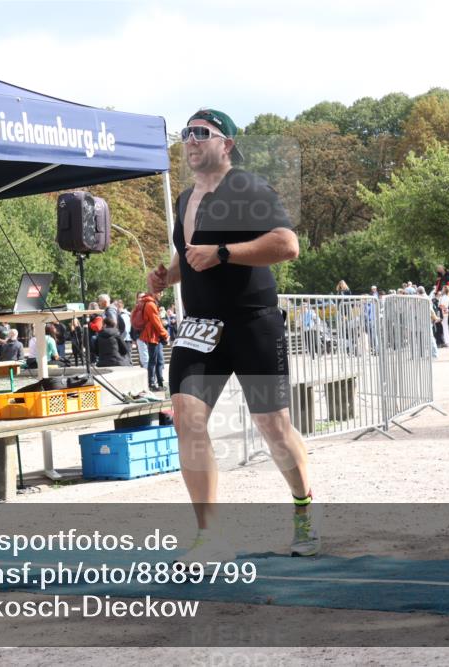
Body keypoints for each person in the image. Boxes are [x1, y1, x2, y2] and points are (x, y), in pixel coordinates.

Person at [148, 107, 317, 560]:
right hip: (201, 326)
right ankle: (210, 535)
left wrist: (223, 252)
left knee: (274, 427)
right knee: (186, 417)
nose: (190, 140)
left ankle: (303, 515)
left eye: (202, 133)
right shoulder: (185, 199)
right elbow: (191, 258)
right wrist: (168, 275)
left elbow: (288, 245)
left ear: (227, 144)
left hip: (251, 322)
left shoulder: (247, 188)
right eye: (185, 133)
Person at [137, 290, 168, 390]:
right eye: (160, 292)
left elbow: (156, 321)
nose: (162, 295)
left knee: (159, 360)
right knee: (153, 361)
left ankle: (160, 382)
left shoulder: (150, 303)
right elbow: (156, 322)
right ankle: (152, 384)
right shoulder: (150, 304)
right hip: (153, 335)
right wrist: (165, 334)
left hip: (155, 335)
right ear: (155, 292)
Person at [131, 293, 149, 368]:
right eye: (139, 297)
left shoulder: (149, 306)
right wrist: (133, 338)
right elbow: (133, 324)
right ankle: (149, 375)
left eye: (143, 297)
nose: (141, 299)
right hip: (140, 336)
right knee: (144, 358)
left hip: (150, 335)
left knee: (150, 357)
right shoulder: (135, 310)